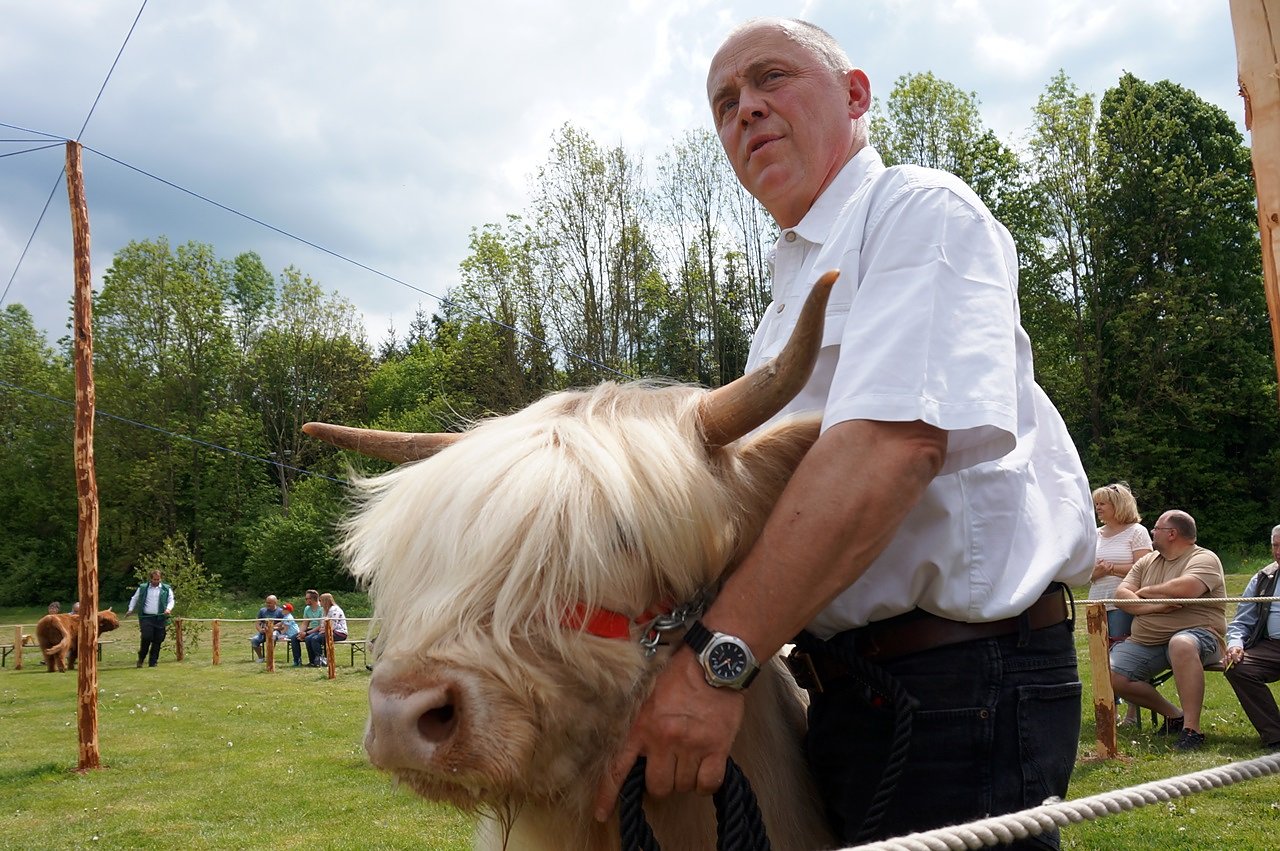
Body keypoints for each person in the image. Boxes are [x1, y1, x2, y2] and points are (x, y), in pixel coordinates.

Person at [592, 18, 1095, 847]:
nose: (745, 109)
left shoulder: (917, 210)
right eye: (724, 103)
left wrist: (716, 663)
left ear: (855, 95)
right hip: (849, 684)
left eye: (771, 78)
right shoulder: (785, 296)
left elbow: (891, 450)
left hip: (957, 682)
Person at [1110, 510, 1226, 751]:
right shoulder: (1147, 561)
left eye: (1156, 529)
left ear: (1172, 534)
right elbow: (1121, 595)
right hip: (1147, 642)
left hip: (1199, 638)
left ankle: (1192, 730)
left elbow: (1187, 589)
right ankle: (1175, 715)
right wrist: (1154, 608)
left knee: (1180, 643)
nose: (1152, 532)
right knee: (1111, 674)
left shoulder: (1204, 558)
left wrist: (1145, 592)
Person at [1089, 482, 1153, 726]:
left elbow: (1145, 567)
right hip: (1097, 603)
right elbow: (1086, 573)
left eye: (1102, 503)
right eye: (1096, 504)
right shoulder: (1095, 534)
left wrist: (1111, 569)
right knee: (1100, 657)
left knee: (1123, 658)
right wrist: (1095, 573)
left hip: (1123, 604)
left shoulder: (1137, 532)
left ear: (1118, 505)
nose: (1098, 508)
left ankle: (1132, 714)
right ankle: (1109, 712)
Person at [1223, 525, 1280, 751]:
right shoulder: (1263, 578)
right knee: (1238, 667)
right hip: (1272, 646)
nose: (1278, 552)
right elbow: (1241, 621)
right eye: (1275, 546)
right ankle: (1275, 735)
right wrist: (1235, 644)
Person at [125, 569, 174, 668]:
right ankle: (141, 659)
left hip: (160, 618)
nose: (156, 581)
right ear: (150, 579)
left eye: (158, 579)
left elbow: (171, 600)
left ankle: (153, 662)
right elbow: (134, 598)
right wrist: (130, 609)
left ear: (160, 579)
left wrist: (168, 609)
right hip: (146, 617)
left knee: (158, 639)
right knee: (146, 637)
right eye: (154, 579)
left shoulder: (166, 588)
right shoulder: (143, 588)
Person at [304, 593, 348, 667]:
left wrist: (322, 631)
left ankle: (321, 660)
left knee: (315, 639)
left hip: (339, 632)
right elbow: (322, 624)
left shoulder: (335, 610)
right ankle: (312, 661)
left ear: (325, 601)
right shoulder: (325, 610)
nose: (319, 602)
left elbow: (332, 626)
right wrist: (321, 630)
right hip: (326, 631)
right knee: (308, 638)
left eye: (320, 600)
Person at [251, 595, 284, 661]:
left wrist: (273, 628)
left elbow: (283, 626)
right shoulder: (262, 611)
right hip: (264, 631)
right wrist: (260, 630)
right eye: (267, 602)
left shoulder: (281, 611)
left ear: (275, 603)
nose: (267, 604)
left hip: (275, 631)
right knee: (254, 640)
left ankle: (269, 657)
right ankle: (260, 658)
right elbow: (257, 623)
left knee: (272, 637)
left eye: (270, 603)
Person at [298, 589, 324, 666]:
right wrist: (300, 633)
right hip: (312, 629)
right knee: (294, 638)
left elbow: (321, 625)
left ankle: (318, 661)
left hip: (320, 629)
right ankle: (297, 661)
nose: (305, 600)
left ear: (313, 599)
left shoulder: (322, 608)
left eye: (307, 599)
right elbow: (305, 623)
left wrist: (306, 633)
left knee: (309, 638)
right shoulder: (307, 608)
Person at [275, 602, 303, 667]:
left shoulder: (289, 617)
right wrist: (272, 627)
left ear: (288, 611)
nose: (282, 610)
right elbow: (280, 624)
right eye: (282, 609)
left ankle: (297, 661)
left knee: (278, 636)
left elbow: (285, 629)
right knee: (276, 635)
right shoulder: (285, 617)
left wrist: (279, 634)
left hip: (293, 634)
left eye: (284, 609)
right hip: (288, 634)